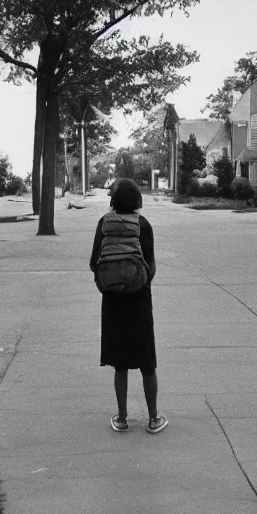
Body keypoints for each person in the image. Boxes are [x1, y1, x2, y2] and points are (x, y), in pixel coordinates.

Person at [90, 179, 168, 434]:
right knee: (147, 363)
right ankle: (153, 419)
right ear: (137, 200)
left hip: (112, 300)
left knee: (120, 363)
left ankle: (122, 418)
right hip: (139, 300)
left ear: (113, 200)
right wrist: (139, 284)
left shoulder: (104, 223)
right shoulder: (143, 225)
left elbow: (94, 263)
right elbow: (151, 264)